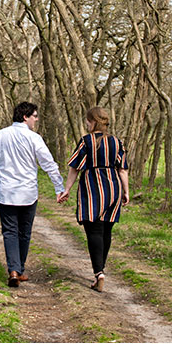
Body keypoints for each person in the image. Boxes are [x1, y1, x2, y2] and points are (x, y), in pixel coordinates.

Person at [0, 101, 65, 287]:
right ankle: (18, 269)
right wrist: (59, 187)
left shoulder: (0, 135)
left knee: (9, 232)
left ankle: (14, 270)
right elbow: (48, 163)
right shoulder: (34, 138)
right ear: (25, 117)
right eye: (35, 116)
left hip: (6, 192)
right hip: (28, 193)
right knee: (24, 232)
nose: (36, 120)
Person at [57, 106, 129, 292]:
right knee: (106, 229)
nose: (86, 124)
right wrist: (125, 191)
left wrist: (67, 189)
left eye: (88, 121)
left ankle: (99, 272)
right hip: (113, 186)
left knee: (94, 230)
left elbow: (75, 167)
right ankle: (101, 270)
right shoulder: (116, 142)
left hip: (92, 187)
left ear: (94, 121)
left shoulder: (86, 141)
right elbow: (122, 169)